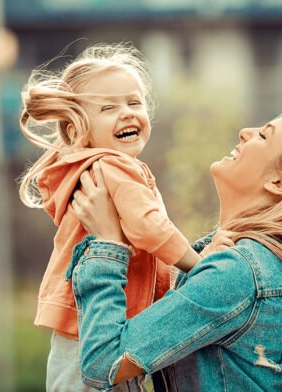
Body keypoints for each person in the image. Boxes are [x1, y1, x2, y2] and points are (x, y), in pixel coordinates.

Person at [69, 104, 282, 391]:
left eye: (262, 136)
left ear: (280, 182)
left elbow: (104, 363)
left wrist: (108, 245)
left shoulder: (238, 273)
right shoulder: (238, 265)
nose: (244, 132)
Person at [17, 43, 203, 391]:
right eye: (108, 107)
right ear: (76, 131)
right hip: (99, 327)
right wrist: (200, 264)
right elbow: (149, 227)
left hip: (83, 326)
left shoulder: (88, 167)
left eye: (134, 102)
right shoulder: (114, 165)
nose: (127, 113)